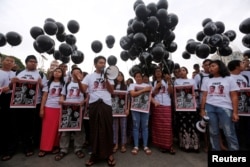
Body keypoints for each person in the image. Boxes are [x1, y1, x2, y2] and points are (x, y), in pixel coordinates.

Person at [75, 56, 116, 166]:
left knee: (108, 129)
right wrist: (79, 81)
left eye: (104, 62)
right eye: (100, 62)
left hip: (106, 104)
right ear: (95, 64)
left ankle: (109, 154)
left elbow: (112, 91)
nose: (103, 64)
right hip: (94, 104)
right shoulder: (89, 76)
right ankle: (94, 155)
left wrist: (106, 79)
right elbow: (83, 89)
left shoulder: (109, 76)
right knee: (94, 129)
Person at [9, 55, 47, 157]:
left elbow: (45, 90)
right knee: (15, 126)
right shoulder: (17, 73)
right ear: (26, 62)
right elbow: (10, 87)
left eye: (35, 62)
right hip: (18, 104)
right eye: (31, 61)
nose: (33, 63)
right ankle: (12, 148)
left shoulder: (41, 74)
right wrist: (12, 83)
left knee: (30, 127)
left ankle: (27, 147)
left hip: (34, 105)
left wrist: (40, 84)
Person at [200, 59, 240, 151]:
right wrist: (202, 109)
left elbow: (234, 96)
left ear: (220, 67)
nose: (210, 68)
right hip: (210, 108)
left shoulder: (229, 79)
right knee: (213, 132)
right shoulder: (206, 80)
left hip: (225, 108)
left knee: (229, 133)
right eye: (209, 66)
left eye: (213, 66)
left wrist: (235, 112)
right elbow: (204, 96)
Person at [54, 67, 85, 161]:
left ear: (81, 74)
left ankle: (78, 148)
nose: (76, 74)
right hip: (67, 109)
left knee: (79, 130)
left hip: (79, 110)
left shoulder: (84, 84)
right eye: (74, 72)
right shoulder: (67, 84)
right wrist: (62, 100)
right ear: (71, 74)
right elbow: (63, 95)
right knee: (65, 130)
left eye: (78, 72)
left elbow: (88, 96)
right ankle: (63, 149)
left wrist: (83, 102)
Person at [38, 67, 65, 157]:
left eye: (59, 72)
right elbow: (44, 96)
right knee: (46, 129)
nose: (57, 73)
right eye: (55, 71)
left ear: (62, 74)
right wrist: (42, 109)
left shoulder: (64, 84)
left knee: (58, 129)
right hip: (49, 107)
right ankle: (44, 148)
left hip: (60, 108)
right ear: (52, 73)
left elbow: (64, 96)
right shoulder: (48, 83)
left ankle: (56, 146)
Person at [174, 66, 200, 152]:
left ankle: (195, 145)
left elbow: (196, 93)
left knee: (192, 124)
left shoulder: (192, 81)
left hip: (191, 106)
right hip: (181, 107)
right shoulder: (176, 81)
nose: (181, 72)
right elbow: (175, 93)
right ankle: (184, 145)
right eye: (180, 71)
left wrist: (193, 95)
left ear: (187, 72)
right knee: (183, 125)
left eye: (183, 70)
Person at [151, 66, 175, 154]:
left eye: (159, 71)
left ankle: (170, 145)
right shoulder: (152, 82)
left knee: (167, 126)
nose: (158, 73)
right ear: (154, 74)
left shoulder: (166, 81)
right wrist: (156, 87)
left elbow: (171, 92)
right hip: (157, 106)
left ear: (162, 73)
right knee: (159, 127)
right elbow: (152, 94)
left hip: (166, 105)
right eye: (156, 71)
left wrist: (168, 81)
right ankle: (162, 145)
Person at [128, 71, 152, 156]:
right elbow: (133, 94)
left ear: (142, 77)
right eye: (136, 76)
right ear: (134, 78)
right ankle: (136, 146)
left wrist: (155, 102)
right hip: (135, 109)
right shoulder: (132, 85)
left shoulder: (148, 86)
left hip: (145, 109)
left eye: (139, 76)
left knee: (145, 127)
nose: (138, 78)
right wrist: (144, 90)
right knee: (136, 127)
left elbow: (150, 97)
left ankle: (145, 146)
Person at [0, 56, 16, 161]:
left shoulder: (16, 74)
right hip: (2, 99)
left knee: (11, 125)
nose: (9, 62)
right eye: (7, 60)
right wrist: (7, 88)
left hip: (13, 100)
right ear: (2, 61)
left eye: (11, 61)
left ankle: (10, 150)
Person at [112, 71, 129, 153]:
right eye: (118, 75)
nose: (120, 77)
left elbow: (128, 99)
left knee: (123, 126)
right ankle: (115, 144)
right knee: (115, 127)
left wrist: (127, 108)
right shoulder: (112, 86)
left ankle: (123, 144)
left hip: (123, 109)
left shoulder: (126, 86)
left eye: (121, 75)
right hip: (114, 109)